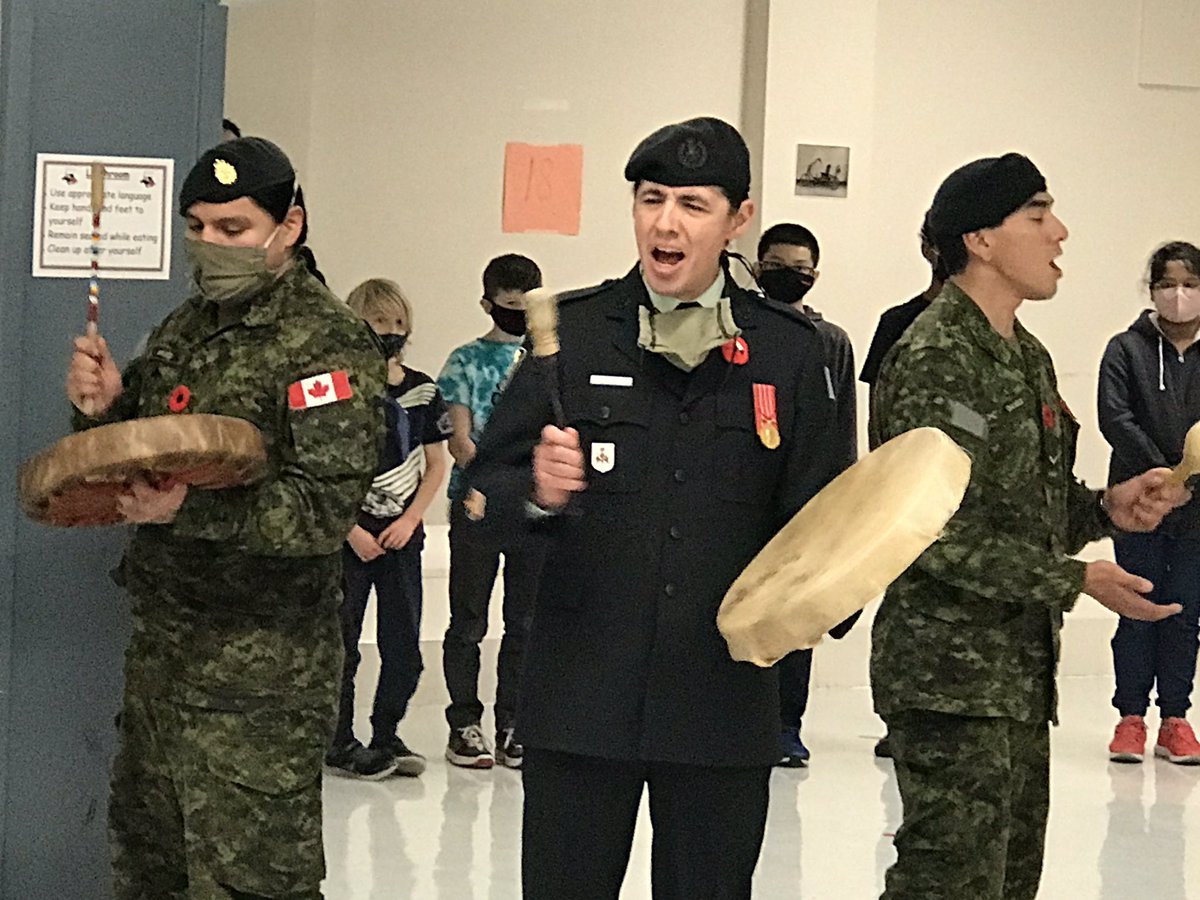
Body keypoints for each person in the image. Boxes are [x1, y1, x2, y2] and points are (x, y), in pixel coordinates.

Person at [466, 116, 844, 900]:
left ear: (739, 219)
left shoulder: (791, 353)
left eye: (693, 204)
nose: (665, 223)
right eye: (651, 198)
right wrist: (536, 490)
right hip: (580, 705)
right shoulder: (569, 337)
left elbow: (825, 528)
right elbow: (481, 501)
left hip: (720, 711)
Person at [66, 137, 386, 899]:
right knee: (153, 872)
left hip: (261, 679)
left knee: (251, 884)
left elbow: (323, 509)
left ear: (290, 226)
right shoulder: (184, 330)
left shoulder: (328, 346)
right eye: (198, 227)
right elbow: (132, 456)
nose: (211, 245)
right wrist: (104, 405)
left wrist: (191, 508)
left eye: (234, 229)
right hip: (163, 658)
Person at [870, 152, 1189, 900]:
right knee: (946, 883)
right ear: (980, 240)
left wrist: (1107, 508)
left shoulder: (1028, 356)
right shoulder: (933, 355)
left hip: (1015, 677)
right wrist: (1075, 578)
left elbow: (1021, 503)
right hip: (946, 680)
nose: (1061, 233)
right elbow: (924, 530)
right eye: (1038, 216)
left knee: (1009, 882)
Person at [326, 278, 452, 780]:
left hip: (403, 533)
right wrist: (349, 527)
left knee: (403, 643)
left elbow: (436, 464)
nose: (390, 332)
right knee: (342, 644)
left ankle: (386, 733)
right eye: (378, 324)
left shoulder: (423, 389)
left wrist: (410, 518)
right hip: (350, 535)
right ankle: (339, 741)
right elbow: (320, 466)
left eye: (398, 324)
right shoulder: (333, 386)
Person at [437, 254, 547, 769]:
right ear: (488, 305)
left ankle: (514, 722)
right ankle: (464, 723)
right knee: (469, 619)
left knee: (524, 621)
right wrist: (494, 471)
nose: (518, 316)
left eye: (526, 307)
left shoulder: (548, 362)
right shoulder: (464, 361)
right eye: (508, 307)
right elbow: (461, 442)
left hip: (532, 506)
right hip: (477, 502)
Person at [755, 221, 858, 766]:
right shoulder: (739, 328)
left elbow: (843, 424)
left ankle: (786, 726)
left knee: (798, 621)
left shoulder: (830, 342)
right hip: (747, 500)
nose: (787, 276)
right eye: (776, 266)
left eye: (799, 269)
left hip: (809, 503)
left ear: (814, 276)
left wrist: (843, 500)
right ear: (756, 266)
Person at [1099, 241, 1200, 765]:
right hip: (1136, 502)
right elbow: (1114, 418)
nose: (1178, 295)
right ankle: (1130, 718)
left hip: (1197, 508)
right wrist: (1158, 474)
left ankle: (1176, 719)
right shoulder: (1125, 349)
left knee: (1184, 613)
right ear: (1152, 289)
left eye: (1189, 283)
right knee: (1137, 606)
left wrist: (1189, 483)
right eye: (1167, 284)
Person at [859, 214, 948, 759]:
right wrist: (882, 477)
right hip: (904, 489)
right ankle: (899, 717)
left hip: (963, 493)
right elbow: (878, 407)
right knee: (906, 606)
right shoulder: (900, 321)